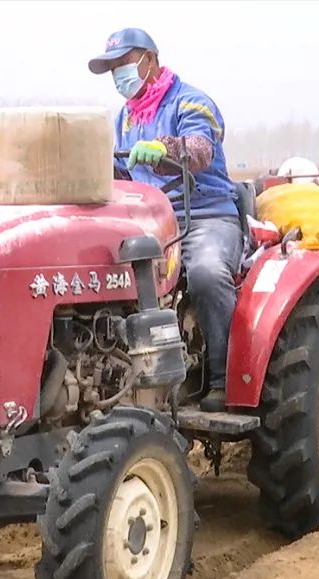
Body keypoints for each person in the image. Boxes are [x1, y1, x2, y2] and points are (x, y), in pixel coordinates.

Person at [89, 28, 242, 412]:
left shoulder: (190, 103)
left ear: (149, 60)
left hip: (203, 214)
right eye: (112, 69)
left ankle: (223, 378)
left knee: (206, 273)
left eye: (123, 64)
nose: (118, 76)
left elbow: (201, 150)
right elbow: (123, 171)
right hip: (150, 221)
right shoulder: (125, 117)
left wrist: (164, 149)